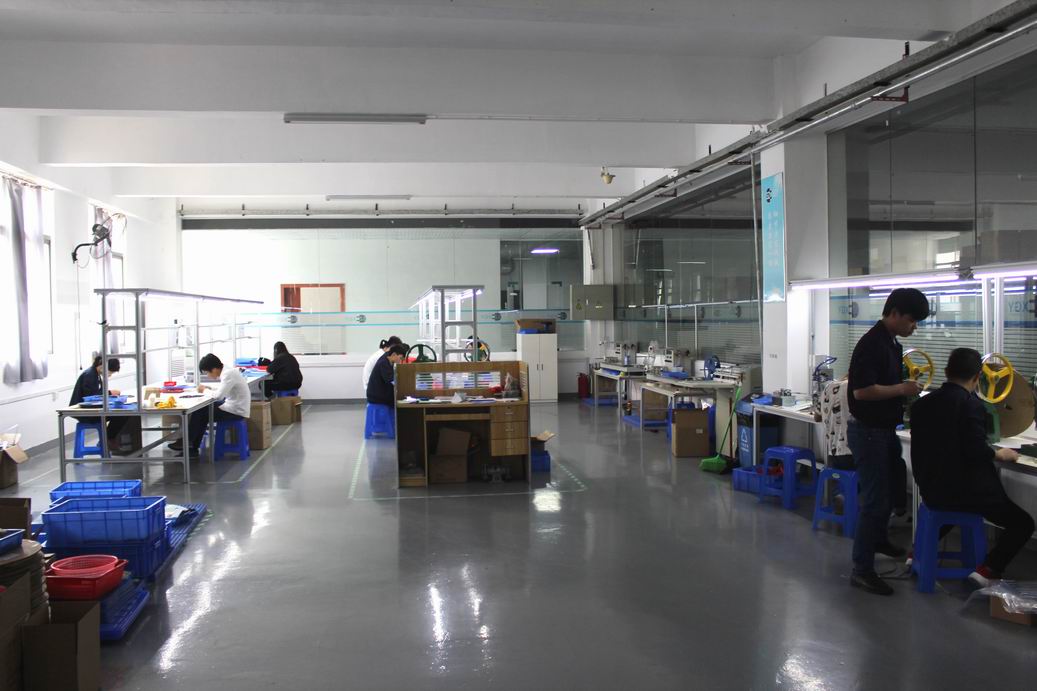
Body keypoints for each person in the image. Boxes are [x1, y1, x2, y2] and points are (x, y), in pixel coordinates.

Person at [910, 348, 1035, 587]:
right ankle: (987, 571)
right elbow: (975, 450)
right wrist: (999, 453)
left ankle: (917, 552)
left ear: (946, 371)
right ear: (978, 377)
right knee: (1023, 524)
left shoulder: (921, 404)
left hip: (931, 488)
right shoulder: (970, 405)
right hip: (964, 492)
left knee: (950, 505)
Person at [847, 287, 930, 596]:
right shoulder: (872, 344)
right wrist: (901, 390)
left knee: (893, 488)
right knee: (874, 501)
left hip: (884, 430)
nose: (914, 327)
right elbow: (862, 391)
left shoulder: (892, 343)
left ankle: (878, 539)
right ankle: (862, 570)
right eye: (911, 320)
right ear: (894, 313)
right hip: (868, 432)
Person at [169, 354, 251, 455]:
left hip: (236, 410)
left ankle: (188, 443)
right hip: (235, 406)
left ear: (214, 369)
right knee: (202, 411)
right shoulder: (228, 371)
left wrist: (204, 390)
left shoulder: (228, 374)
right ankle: (191, 446)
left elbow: (219, 396)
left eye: (207, 372)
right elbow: (223, 389)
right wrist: (209, 389)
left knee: (200, 412)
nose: (208, 375)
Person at [69, 355, 128, 448]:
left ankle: (107, 440)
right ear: (102, 366)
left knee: (122, 413)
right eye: (110, 372)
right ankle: (106, 440)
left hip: (89, 409)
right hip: (84, 412)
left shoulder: (95, 375)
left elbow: (97, 394)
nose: (110, 375)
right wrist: (110, 393)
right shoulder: (89, 375)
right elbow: (91, 397)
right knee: (121, 414)